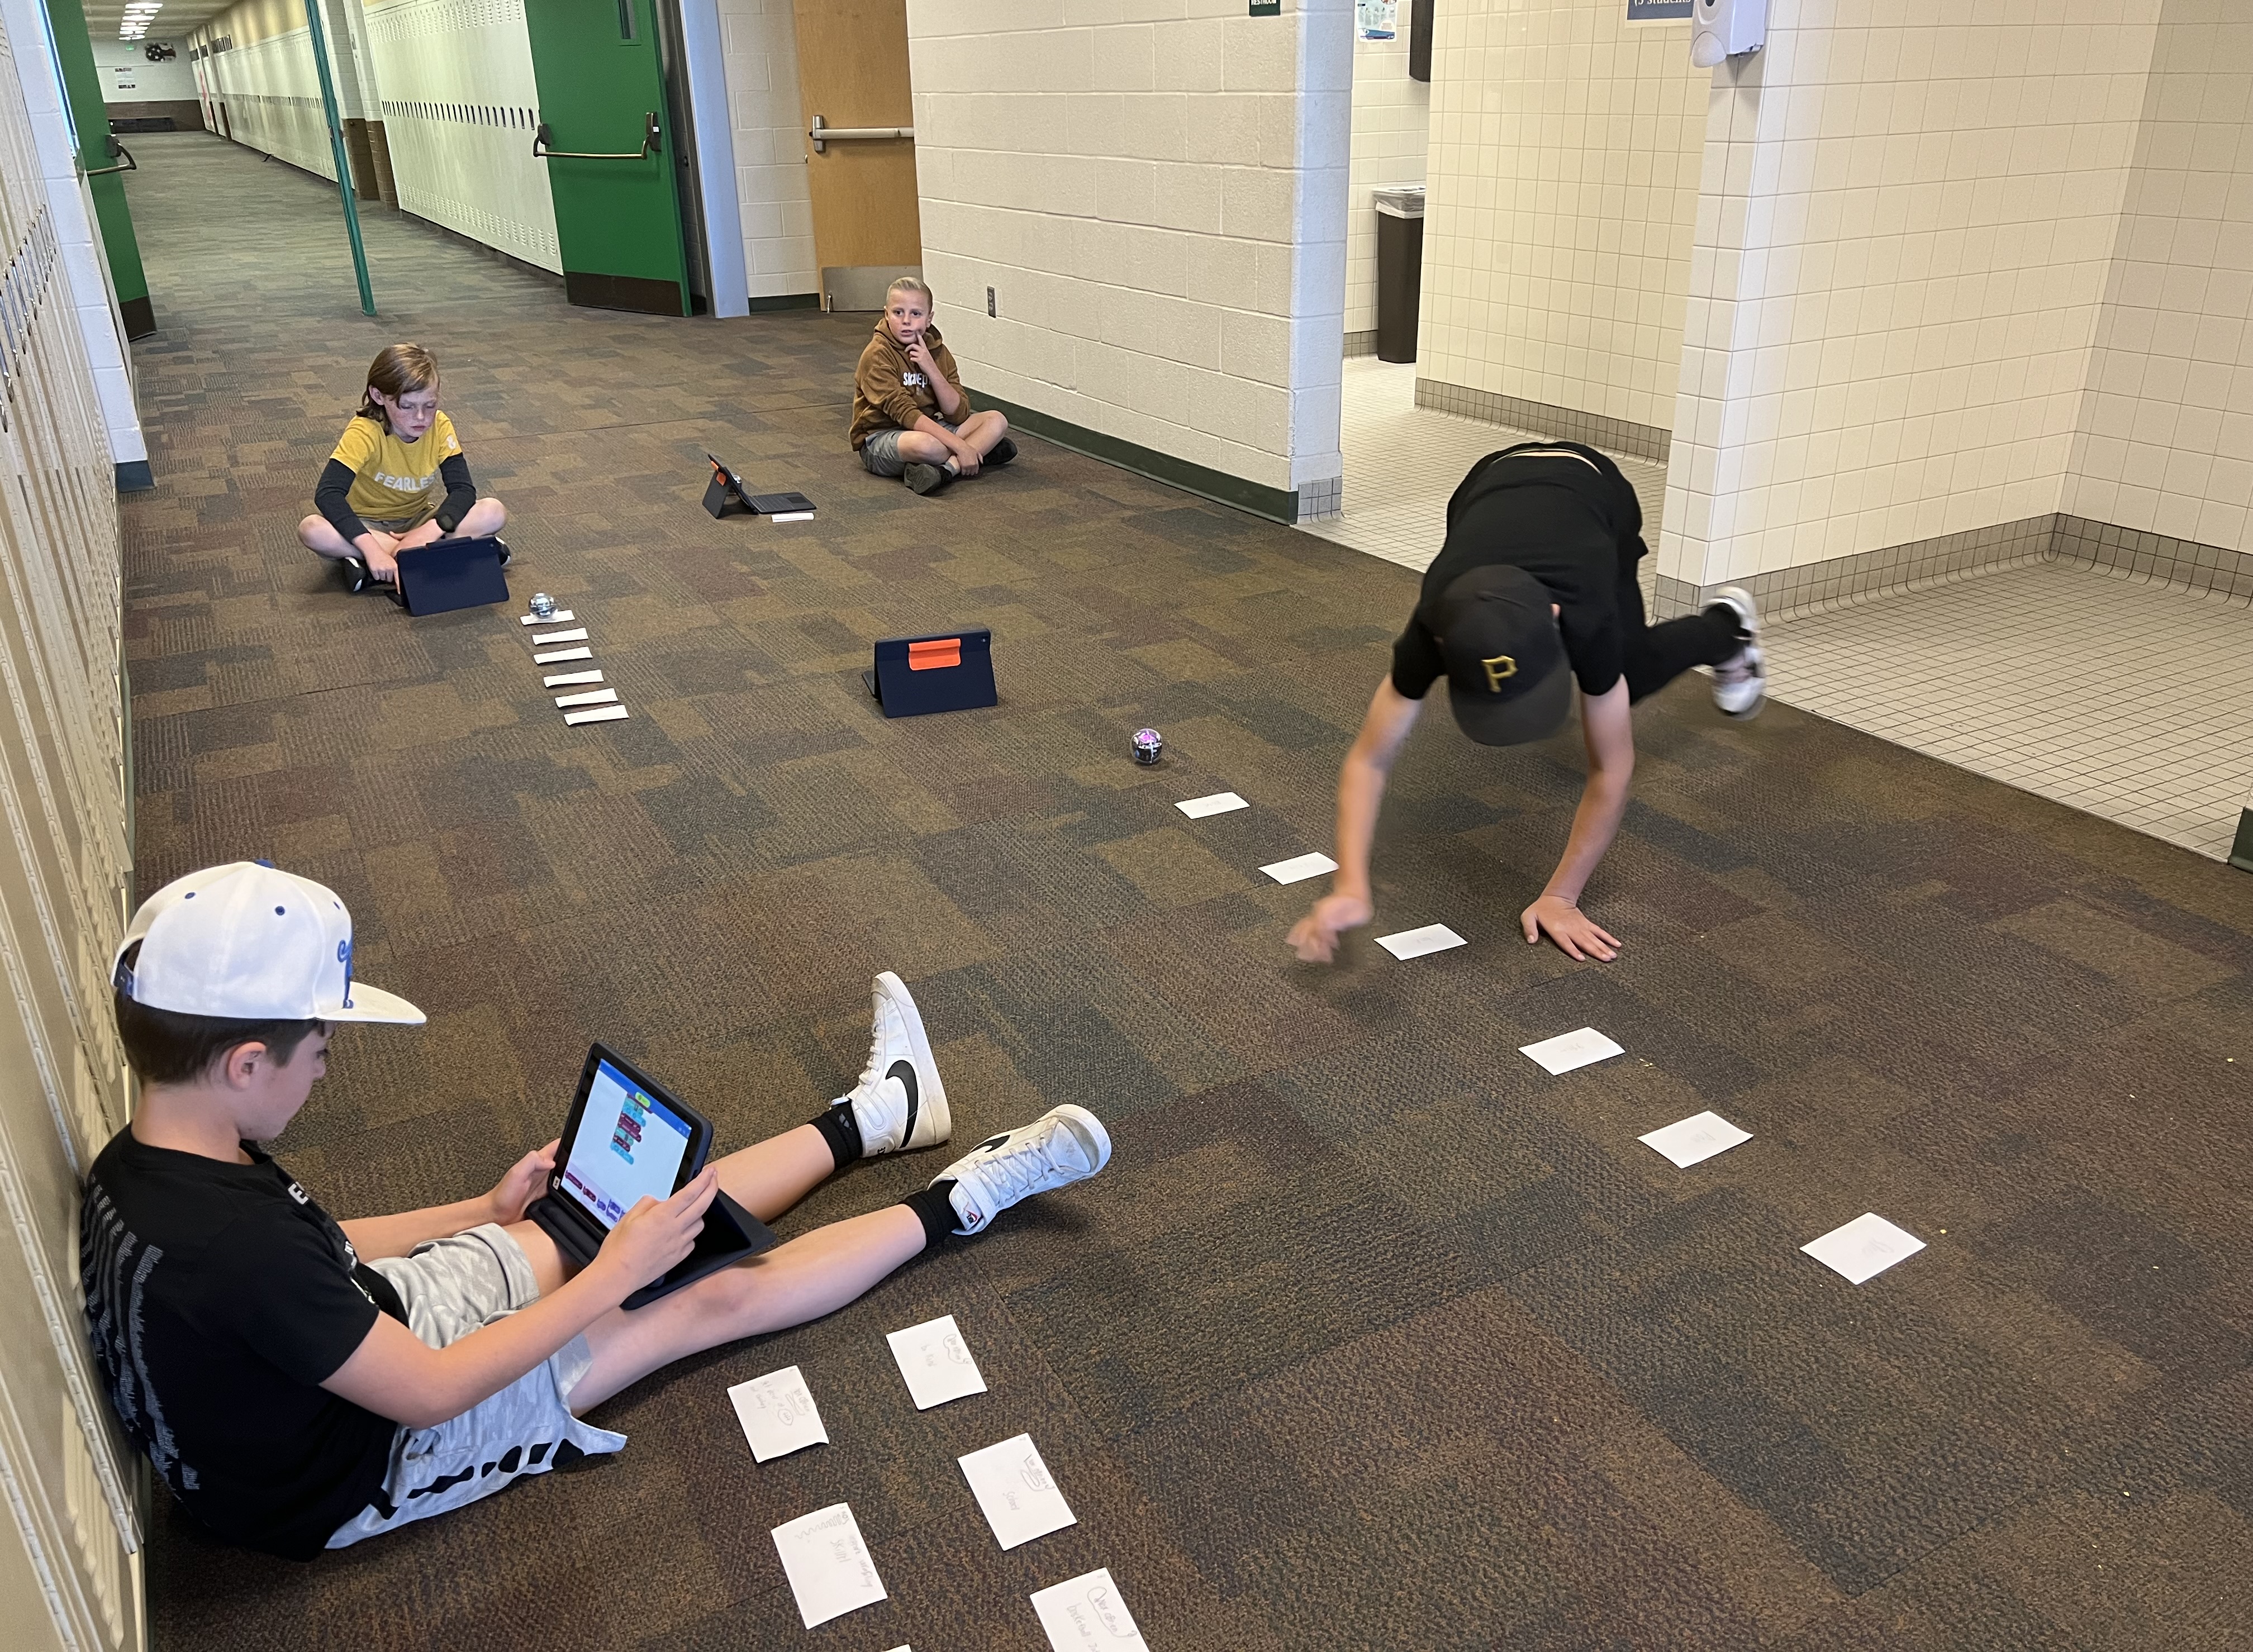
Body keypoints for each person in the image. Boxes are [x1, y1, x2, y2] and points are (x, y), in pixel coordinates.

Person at [79, 860, 1111, 1560]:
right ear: (247, 1060)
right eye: (321, 1051)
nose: (325, 1068)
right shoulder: (234, 1248)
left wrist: (484, 1205)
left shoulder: (155, 1154)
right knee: (687, 1298)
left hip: (347, 1342)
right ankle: (962, 1195)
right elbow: (432, 1392)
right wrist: (613, 1276)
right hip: (371, 1458)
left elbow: (325, 1252)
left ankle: (878, 1114)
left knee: (601, 1216)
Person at [1288, 441, 1766, 967]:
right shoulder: (1437, 623)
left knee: (1630, 673)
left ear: (1557, 617)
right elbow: (1368, 760)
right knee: (1565, 661)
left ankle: (1729, 628)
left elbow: (1613, 768)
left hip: (1594, 490)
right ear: (1445, 646)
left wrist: (1561, 897)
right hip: (1486, 482)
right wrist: (1350, 886)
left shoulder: (1587, 614)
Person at [297, 343, 509, 593]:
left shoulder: (440, 426)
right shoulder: (364, 431)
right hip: (369, 526)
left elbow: (462, 490)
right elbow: (328, 493)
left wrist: (426, 532)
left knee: (494, 511)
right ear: (378, 397)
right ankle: (437, 554)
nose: (421, 417)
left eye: (430, 405)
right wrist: (372, 548)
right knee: (311, 529)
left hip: (420, 519)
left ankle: (380, 563)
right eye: (407, 406)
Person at [850, 277, 1016, 496]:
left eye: (916, 314)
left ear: (929, 319)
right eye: (898, 313)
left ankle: (947, 470)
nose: (906, 321)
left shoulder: (938, 352)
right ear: (886, 315)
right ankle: (978, 454)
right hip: (881, 439)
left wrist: (931, 368)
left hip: (930, 427)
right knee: (930, 446)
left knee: (997, 420)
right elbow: (907, 415)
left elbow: (957, 414)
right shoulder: (877, 355)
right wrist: (961, 446)